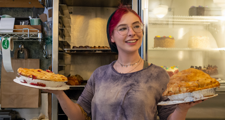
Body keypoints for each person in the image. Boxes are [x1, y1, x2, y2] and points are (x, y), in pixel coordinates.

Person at [45, 5, 204, 120]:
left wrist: (182, 109)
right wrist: (59, 92)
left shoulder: (158, 75)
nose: (132, 33)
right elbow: (78, 116)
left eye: (136, 26)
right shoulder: (100, 74)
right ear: (112, 37)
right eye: (123, 28)